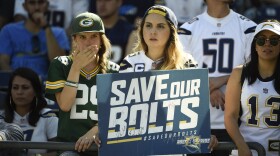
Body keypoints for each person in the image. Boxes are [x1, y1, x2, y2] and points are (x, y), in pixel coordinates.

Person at [119, 5, 218, 155]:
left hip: (174, 148)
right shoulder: (129, 63)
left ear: (172, 32)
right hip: (139, 146)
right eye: (148, 26)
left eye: (160, 26)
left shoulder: (187, 63)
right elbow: (119, 110)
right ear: (142, 30)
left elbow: (197, 108)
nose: (153, 31)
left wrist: (205, 133)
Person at [178, 0, 256, 155]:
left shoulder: (249, 28)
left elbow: (256, 70)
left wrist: (217, 81)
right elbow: (178, 70)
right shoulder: (188, 29)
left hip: (239, 124)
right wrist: (208, 86)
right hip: (196, 122)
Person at [45, 12, 120, 156]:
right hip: (70, 146)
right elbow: (65, 105)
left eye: (94, 36)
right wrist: (76, 67)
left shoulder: (114, 70)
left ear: (101, 39)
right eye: (82, 37)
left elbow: (117, 114)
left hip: (102, 147)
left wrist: (94, 131)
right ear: (74, 40)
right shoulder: (60, 64)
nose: (88, 42)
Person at [225, 19, 280, 156]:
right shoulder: (239, 73)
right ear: (255, 45)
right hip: (246, 147)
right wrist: (242, 146)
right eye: (261, 40)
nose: (267, 44)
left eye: (274, 40)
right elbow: (230, 116)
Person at [0, 0, 70, 82]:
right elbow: (3, 62)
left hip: (44, 86)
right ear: (24, 6)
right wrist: (15, 81)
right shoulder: (9, 30)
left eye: (41, 3)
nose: (37, 7)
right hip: (15, 85)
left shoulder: (58, 33)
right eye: (32, 3)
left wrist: (46, 27)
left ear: (47, 5)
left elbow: (60, 66)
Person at [0, 67, 58, 155]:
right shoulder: (1, 118)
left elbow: (58, 151)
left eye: (25, 87)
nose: (19, 92)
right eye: (15, 87)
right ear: (10, 91)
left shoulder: (48, 116)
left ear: (36, 91)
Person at [13, 0, 90, 37]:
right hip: (29, 38)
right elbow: (19, 18)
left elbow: (80, 22)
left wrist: (58, 39)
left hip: (63, 40)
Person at [93, 0, 134, 64]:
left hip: (119, 73)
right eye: (99, 0)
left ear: (119, 2)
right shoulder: (86, 30)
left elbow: (129, 68)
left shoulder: (130, 32)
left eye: (108, 0)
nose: (102, 4)